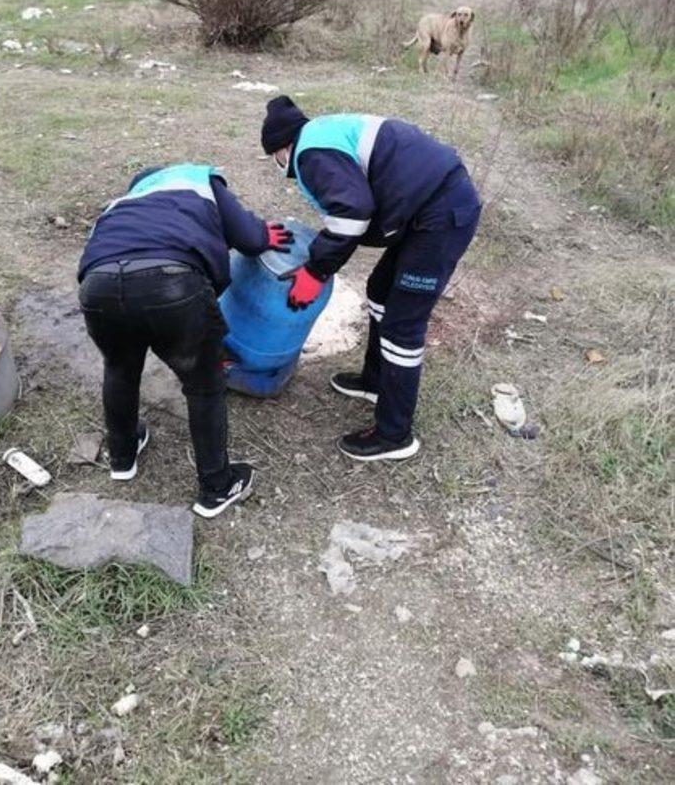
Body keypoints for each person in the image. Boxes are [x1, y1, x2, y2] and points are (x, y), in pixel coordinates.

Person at [261, 97, 481, 462]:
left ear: (281, 148)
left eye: (274, 158)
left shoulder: (309, 154)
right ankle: (375, 381)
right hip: (423, 208)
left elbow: (352, 213)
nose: (278, 164)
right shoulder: (320, 135)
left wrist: (316, 271)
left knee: (402, 325)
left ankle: (395, 434)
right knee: (380, 290)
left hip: (440, 213)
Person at [77, 163, 293, 519]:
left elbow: (99, 253)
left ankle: (123, 455)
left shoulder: (121, 205)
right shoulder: (199, 180)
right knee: (203, 384)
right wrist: (262, 233)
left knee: (119, 366)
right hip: (171, 282)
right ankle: (217, 486)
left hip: (98, 286)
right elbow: (252, 239)